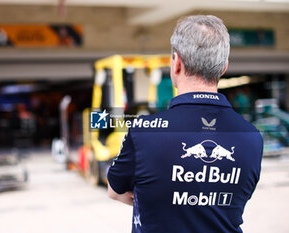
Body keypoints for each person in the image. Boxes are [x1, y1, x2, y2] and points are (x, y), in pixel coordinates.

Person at [107, 15, 263, 233]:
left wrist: (159, 198)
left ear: (177, 62)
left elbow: (114, 191)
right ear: (223, 68)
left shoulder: (144, 131)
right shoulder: (252, 137)